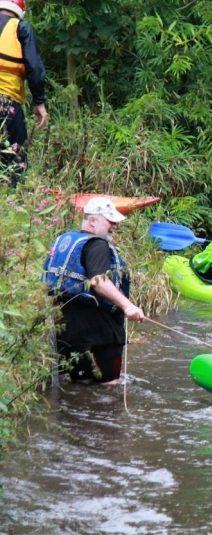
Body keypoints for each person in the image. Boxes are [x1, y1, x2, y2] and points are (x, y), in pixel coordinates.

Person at [42, 197, 145, 384]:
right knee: (108, 387)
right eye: (110, 221)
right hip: (100, 334)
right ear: (92, 221)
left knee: (78, 385)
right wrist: (128, 306)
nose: (114, 226)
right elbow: (98, 281)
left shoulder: (65, 239)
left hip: (67, 331)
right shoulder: (98, 245)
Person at [0, 0, 48, 185]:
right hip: (6, 99)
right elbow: (34, 67)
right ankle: (13, 200)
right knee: (16, 158)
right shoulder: (21, 28)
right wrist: (40, 102)